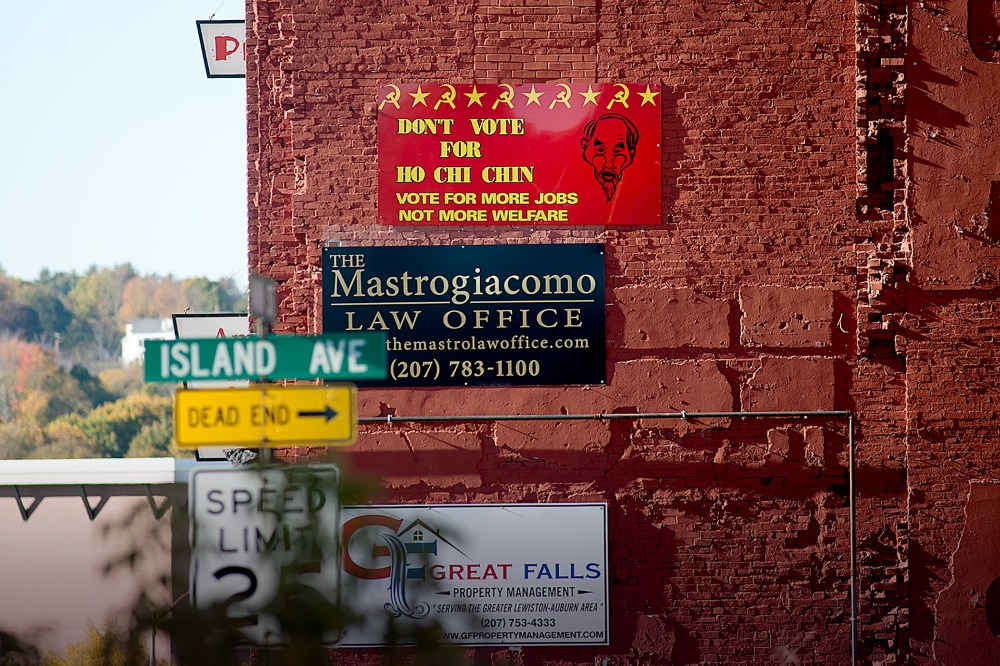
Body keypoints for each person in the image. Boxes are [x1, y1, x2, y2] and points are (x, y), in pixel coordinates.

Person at [580, 113, 640, 202]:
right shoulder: (570, 181)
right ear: (585, 146)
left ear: (631, 154)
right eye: (600, 150)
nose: (608, 164)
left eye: (616, 152)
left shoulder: (638, 186)